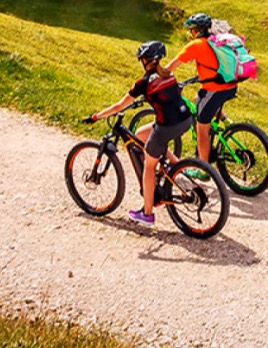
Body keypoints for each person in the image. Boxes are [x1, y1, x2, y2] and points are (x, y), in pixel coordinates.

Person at [84, 41, 194, 226]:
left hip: (166, 126)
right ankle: (176, 167)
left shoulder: (143, 83)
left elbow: (119, 106)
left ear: (145, 61)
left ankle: (147, 213)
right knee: (142, 134)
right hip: (185, 120)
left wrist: (96, 116)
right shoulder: (168, 73)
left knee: (149, 166)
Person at [162, 13, 238, 165]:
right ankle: (225, 120)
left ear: (196, 31)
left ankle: (203, 167)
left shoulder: (195, 45)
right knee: (199, 98)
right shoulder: (216, 41)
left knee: (201, 128)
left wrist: (155, 78)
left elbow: (170, 68)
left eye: (192, 30)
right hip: (231, 86)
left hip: (215, 89)